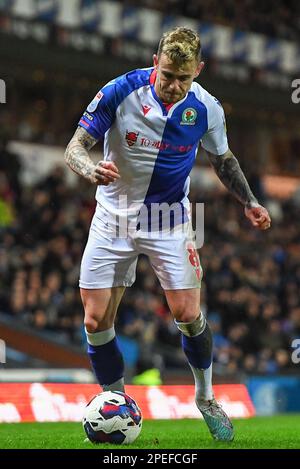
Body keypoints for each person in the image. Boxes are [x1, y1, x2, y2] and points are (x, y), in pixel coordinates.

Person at [65, 27, 271, 442]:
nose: (174, 85)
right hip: (113, 217)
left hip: (171, 219)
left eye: (185, 78)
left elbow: (223, 158)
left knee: (188, 315)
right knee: (94, 318)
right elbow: (75, 146)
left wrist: (248, 200)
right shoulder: (120, 91)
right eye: (168, 74)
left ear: (199, 70)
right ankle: (117, 402)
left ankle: (206, 397)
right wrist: (90, 169)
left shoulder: (207, 108)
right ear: (155, 60)